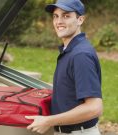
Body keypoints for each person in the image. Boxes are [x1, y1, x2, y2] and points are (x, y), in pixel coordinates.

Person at [25, 0, 103, 134]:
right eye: (56, 16)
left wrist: (48, 121)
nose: (59, 21)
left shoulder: (80, 55)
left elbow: (94, 108)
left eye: (66, 16)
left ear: (80, 20)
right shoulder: (70, 50)